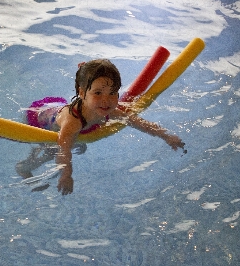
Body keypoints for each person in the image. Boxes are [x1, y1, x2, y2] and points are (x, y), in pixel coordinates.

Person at [20, 59, 185, 195]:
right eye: (98, 93)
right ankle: (23, 168)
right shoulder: (73, 122)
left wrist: (166, 136)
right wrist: (66, 175)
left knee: (75, 141)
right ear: (82, 93)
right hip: (42, 121)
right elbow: (63, 153)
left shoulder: (107, 109)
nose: (106, 100)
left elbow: (136, 121)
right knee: (51, 151)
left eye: (112, 93)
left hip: (59, 109)